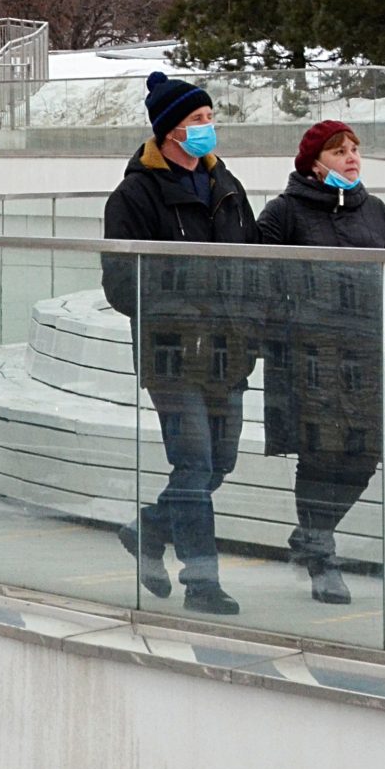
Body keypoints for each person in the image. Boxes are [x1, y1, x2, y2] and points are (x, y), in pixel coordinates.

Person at [101, 71, 261, 615]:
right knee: (193, 464)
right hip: (172, 355)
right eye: (197, 121)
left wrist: (249, 325)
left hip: (229, 352)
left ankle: (148, 528)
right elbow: (122, 283)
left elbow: (255, 264)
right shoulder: (135, 194)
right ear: (169, 131)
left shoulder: (226, 185)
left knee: (219, 465)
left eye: (210, 119)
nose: (207, 128)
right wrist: (188, 307)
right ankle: (202, 581)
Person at [255, 120, 385, 605]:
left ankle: (311, 532)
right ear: (314, 162)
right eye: (339, 152)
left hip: (361, 352)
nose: (352, 158)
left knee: (363, 456)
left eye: (355, 150)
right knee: (319, 454)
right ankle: (323, 557)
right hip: (307, 352)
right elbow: (261, 278)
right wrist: (287, 329)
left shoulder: (375, 211)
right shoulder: (283, 212)